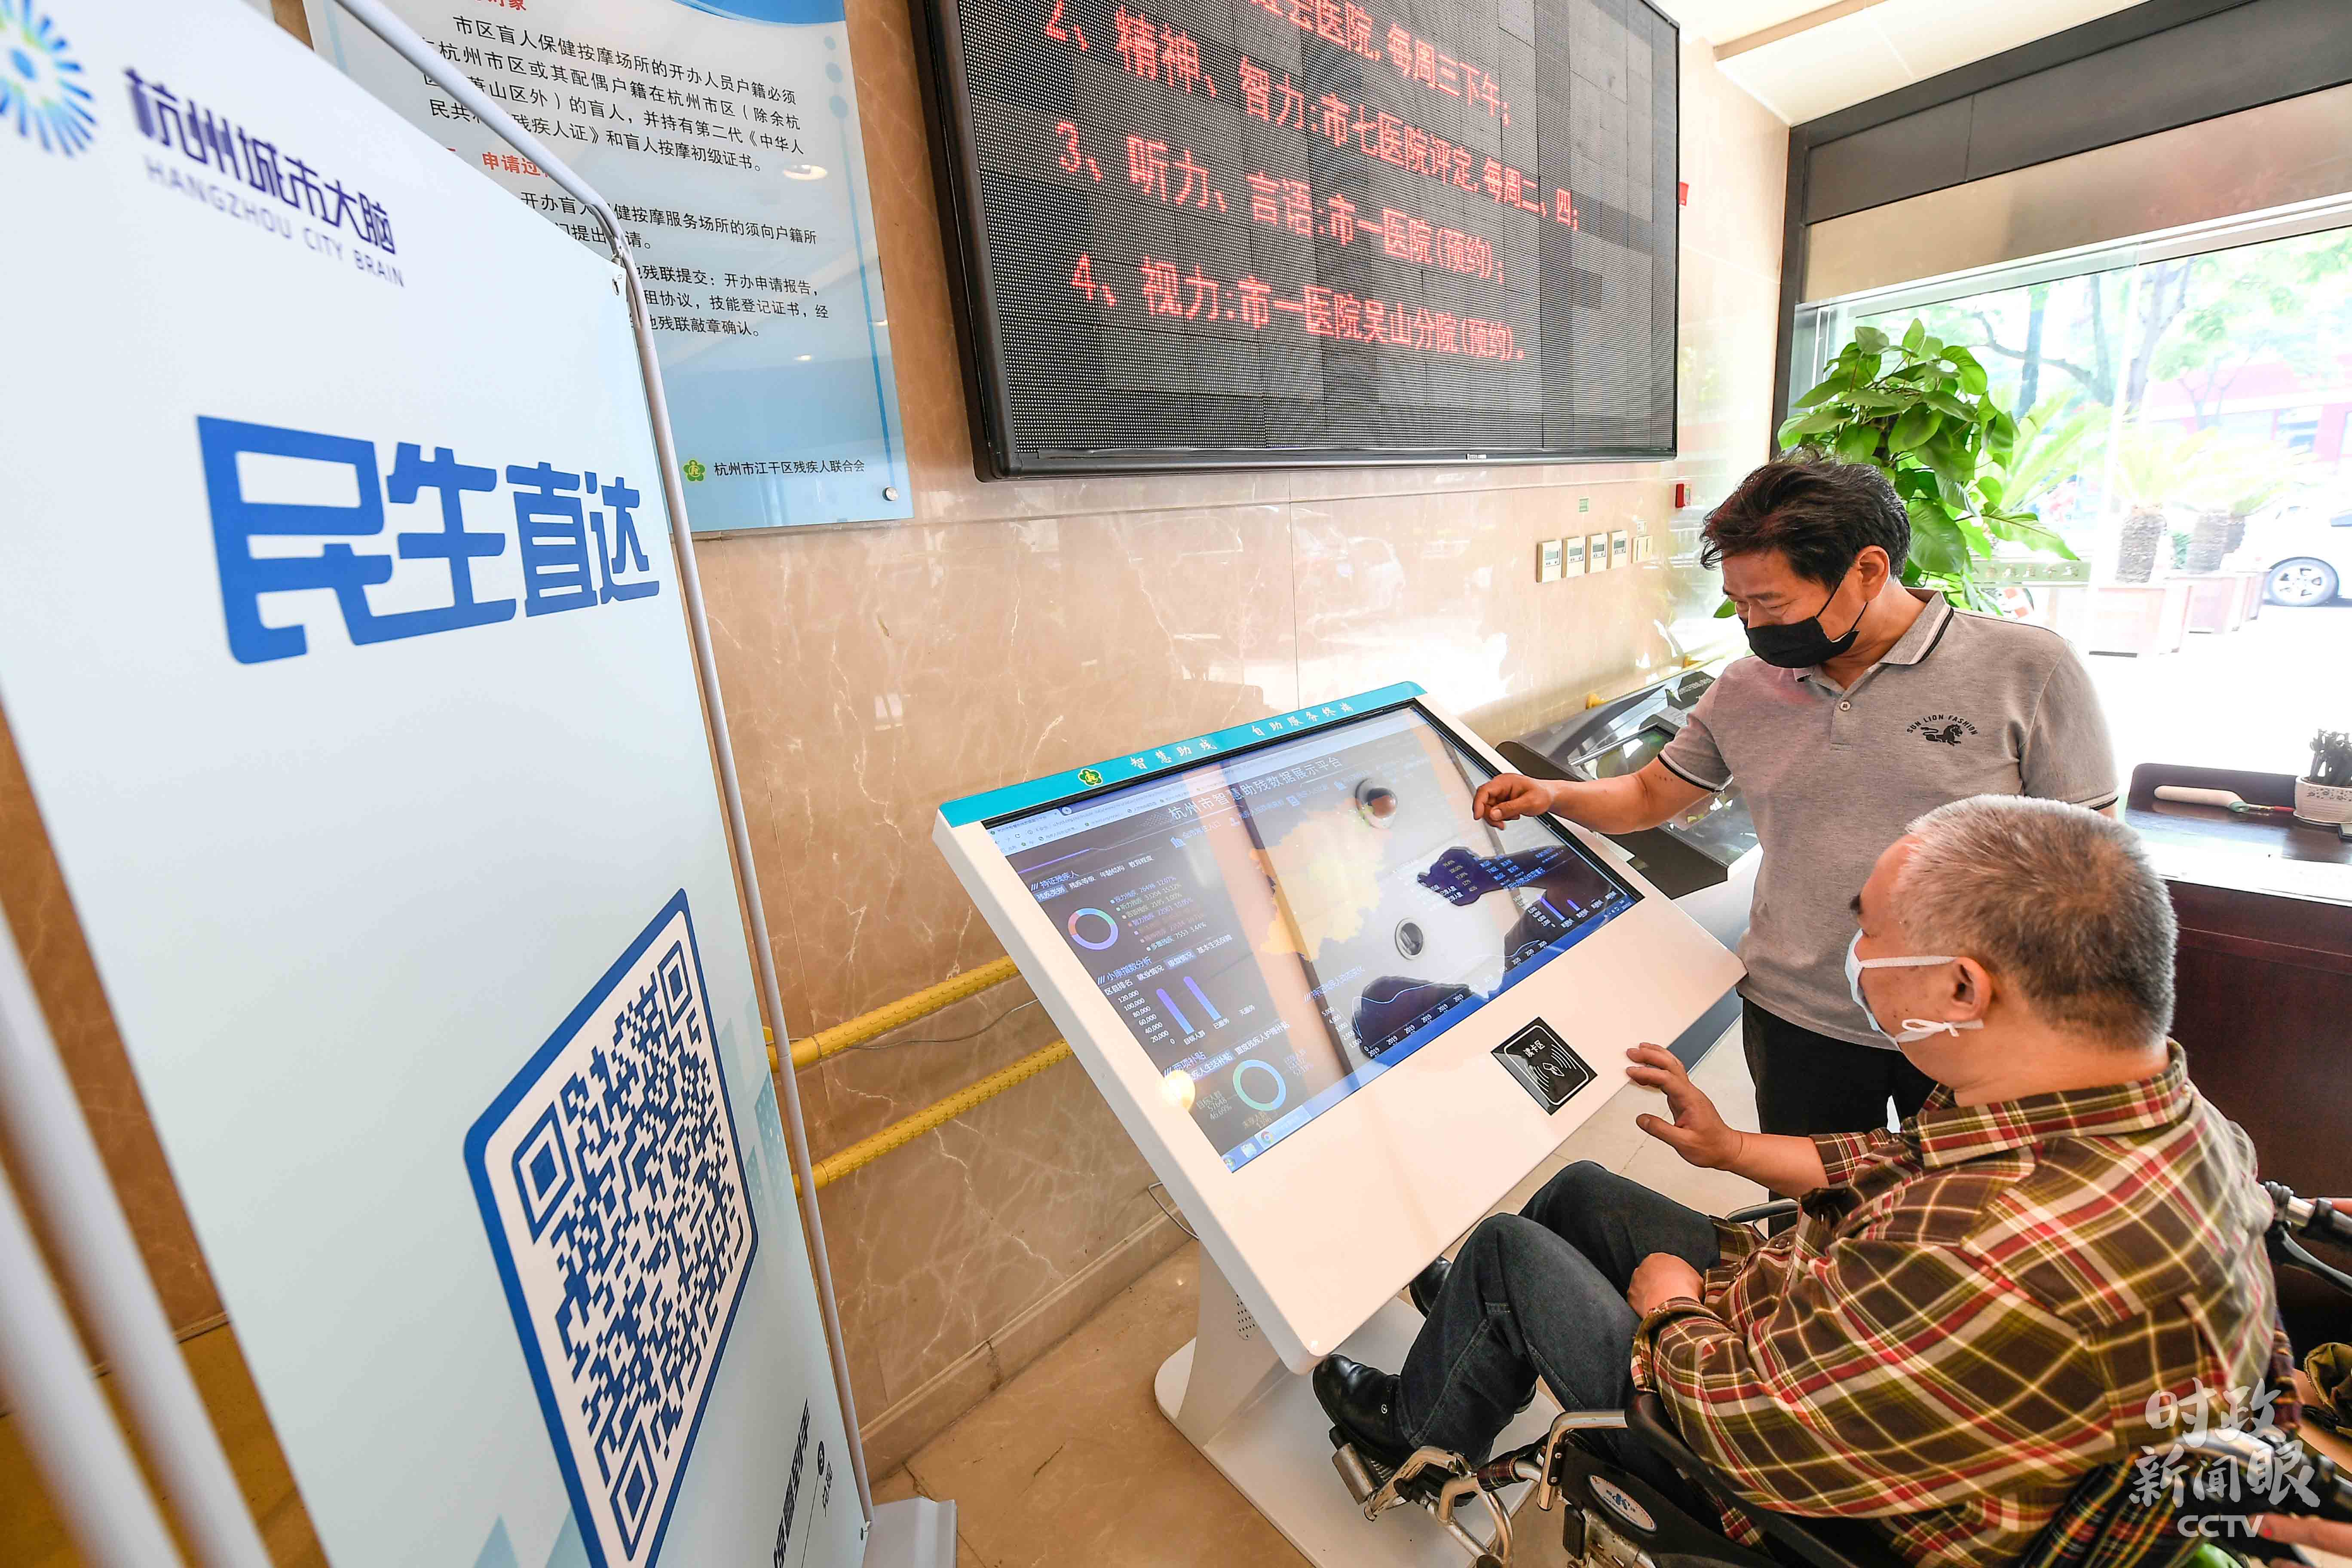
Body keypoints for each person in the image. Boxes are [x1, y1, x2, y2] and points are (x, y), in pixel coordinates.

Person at [1316, 796, 2280, 1565]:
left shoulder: (1996, 1250)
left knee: (1506, 1251)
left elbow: (1743, 1433)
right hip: (1841, 1334)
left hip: (1781, 1478)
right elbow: (1905, 1163)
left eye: (1873, 935)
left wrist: (1671, 1308)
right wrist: (1732, 1148)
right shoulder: (2164, 1116)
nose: (1855, 957)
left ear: (1963, 987)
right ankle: (1479, 1340)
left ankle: (1415, 1435)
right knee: (1580, 1194)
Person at [1473, 453, 2119, 1140]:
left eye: (1772, 603)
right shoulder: (1746, 688)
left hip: (1973, 1018)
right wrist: (1551, 793)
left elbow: (2092, 863)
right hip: (1800, 1013)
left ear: (1868, 570)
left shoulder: (2029, 668)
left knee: (1965, 1203)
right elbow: (1646, 796)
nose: (1753, 623)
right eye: (1740, 603)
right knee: (1812, 1202)